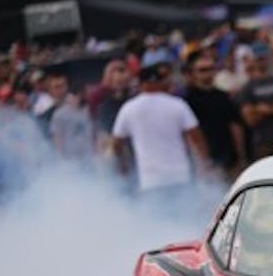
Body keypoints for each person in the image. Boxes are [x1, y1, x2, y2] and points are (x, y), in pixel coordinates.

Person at [111, 62, 209, 193]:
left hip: (150, 180)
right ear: (159, 82)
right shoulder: (178, 104)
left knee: (157, 213)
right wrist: (205, 165)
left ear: (140, 83)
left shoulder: (128, 108)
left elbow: (117, 143)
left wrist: (122, 165)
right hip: (179, 176)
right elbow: (197, 137)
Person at [184, 52, 245, 178]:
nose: (208, 73)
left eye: (211, 69)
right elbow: (189, 135)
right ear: (193, 73)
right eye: (203, 70)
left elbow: (234, 125)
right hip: (205, 164)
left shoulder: (223, 96)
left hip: (229, 160)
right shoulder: (188, 100)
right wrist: (201, 162)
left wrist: (240, 155)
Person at [50, 88, 94, 161]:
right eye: (73, 97)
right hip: (69, 155)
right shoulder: (60, 114)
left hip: (86, 154)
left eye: (77, 97)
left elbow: (92, 133)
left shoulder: (87, 111)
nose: (75, 99)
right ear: (68, 97)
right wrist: (60, 156)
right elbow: (57, 136)